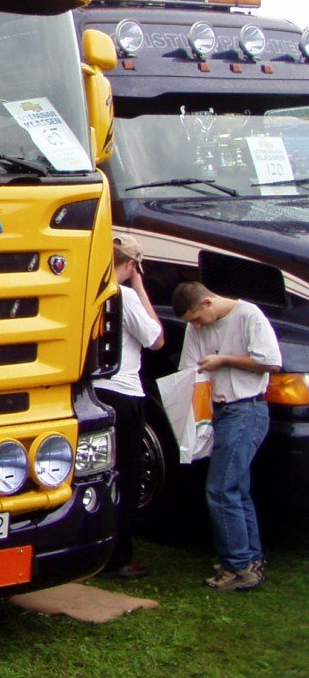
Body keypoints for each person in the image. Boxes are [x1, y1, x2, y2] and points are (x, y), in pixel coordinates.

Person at [173, 280, 281, 592]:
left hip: (246, 409)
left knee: (220, 488)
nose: (196, 325)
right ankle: (251, 559)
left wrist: (223, 360)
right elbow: (188, 368)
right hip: (219, 410)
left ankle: (236, 565)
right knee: (237, 488)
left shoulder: (249, 315)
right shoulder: (196, 328)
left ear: (207, 302)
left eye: (197, 318)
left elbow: (271, 362)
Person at [96, 234, 163, 580]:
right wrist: (139, 286)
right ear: (132, 264)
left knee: (96, 473)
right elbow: (156, 339)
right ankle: (119, 555)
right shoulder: (125, 295)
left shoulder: (89, 290)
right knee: (126, 473)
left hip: (92, 391)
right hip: (123, 391)